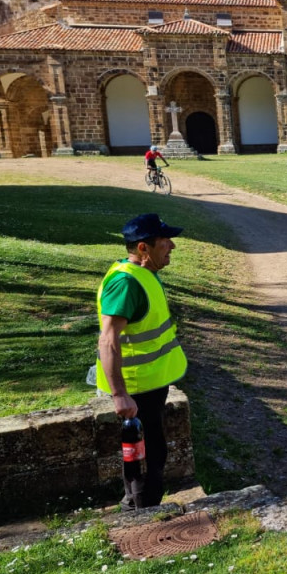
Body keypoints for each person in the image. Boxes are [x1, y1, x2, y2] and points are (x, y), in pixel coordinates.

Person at [96, 212, 188, 510]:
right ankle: (139, 512)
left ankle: (146, 507)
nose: (172, 246)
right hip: (135, 391)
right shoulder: (125, 284)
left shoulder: (143, 274)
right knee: (141, 459)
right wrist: (120, 394)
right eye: (165, 241)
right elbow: (108, 338)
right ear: (143, 249)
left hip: (150, 385)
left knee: (153, 453)